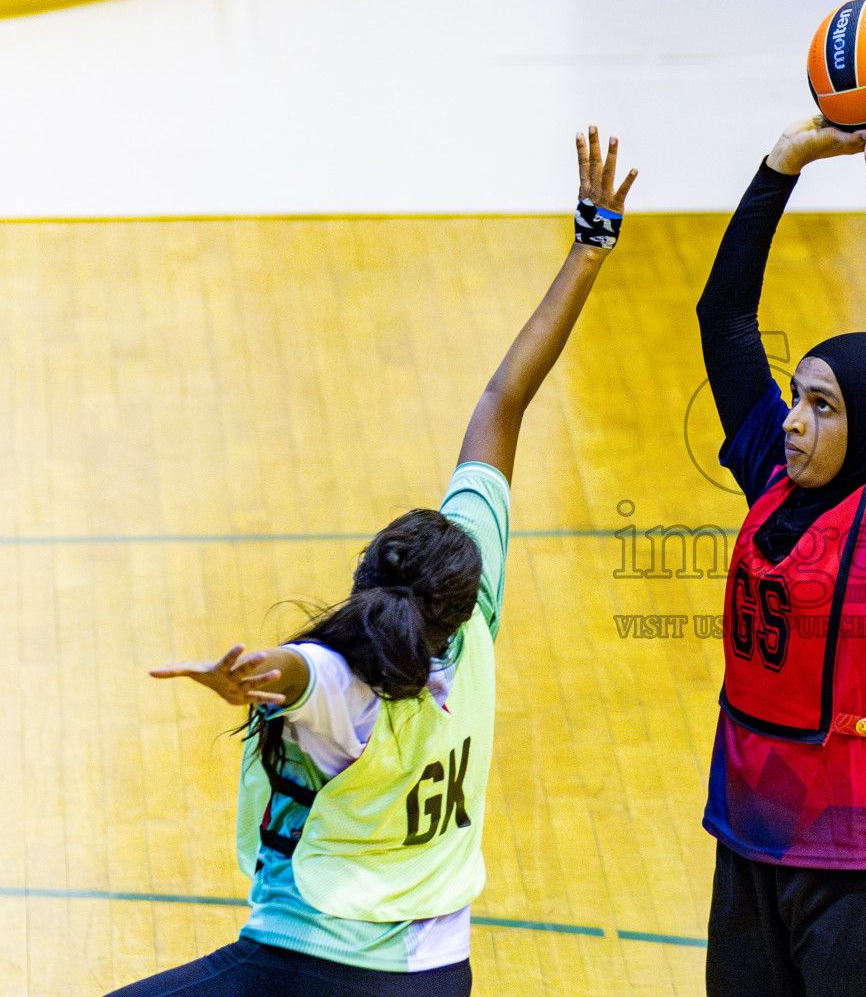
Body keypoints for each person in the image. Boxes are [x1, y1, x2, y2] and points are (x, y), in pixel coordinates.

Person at [110, 127, 637, 997]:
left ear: (370, 577)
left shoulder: (350, 679)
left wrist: (244, 675)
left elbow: (298, 675)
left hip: (315, 967)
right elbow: (505, 399)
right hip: (437, 973)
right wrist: (591, 244)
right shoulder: (476, 623)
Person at [695, 52, 866, 997]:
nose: (797, 421)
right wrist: (782, 164)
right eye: (796, 399)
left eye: (823, 406)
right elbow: (723, 317)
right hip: (749, 842)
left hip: (865, 866)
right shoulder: (774, 473)